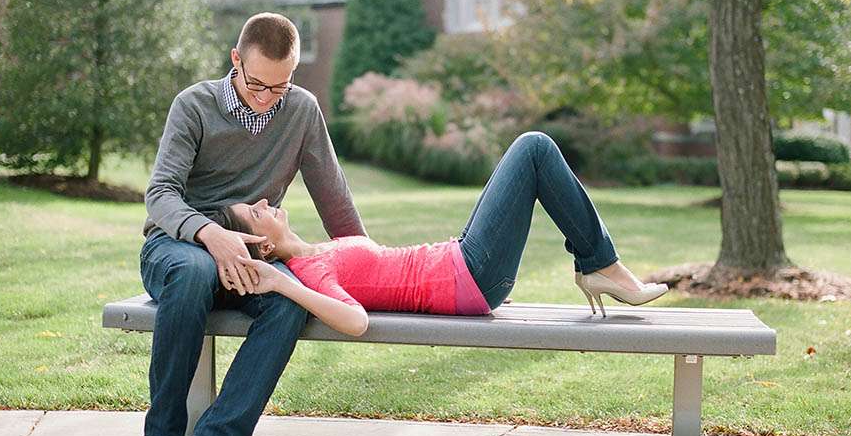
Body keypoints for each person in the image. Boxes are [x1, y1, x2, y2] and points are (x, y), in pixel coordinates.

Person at [131, 13, 366, 436]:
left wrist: (371, 265)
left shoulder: (300, 110)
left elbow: (335, 201)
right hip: (177, 247)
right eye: (256, 83)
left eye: (279, 87)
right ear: (235, 60)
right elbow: (160, 195)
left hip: (250, 258)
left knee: (288, 301)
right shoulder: (193, 105)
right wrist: (213, 232)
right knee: (194, 273)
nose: (266, 98)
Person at [220, 131, 668, 339]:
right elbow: (355, 322)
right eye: (254, 213)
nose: (264, 203)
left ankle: (599, 265)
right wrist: (280, 282)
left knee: (533, 150)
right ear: (262, 245)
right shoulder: (307, 271)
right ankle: (601, 265)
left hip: (462, 264)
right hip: (470, 274)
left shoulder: (318, 250)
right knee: (534, 148)